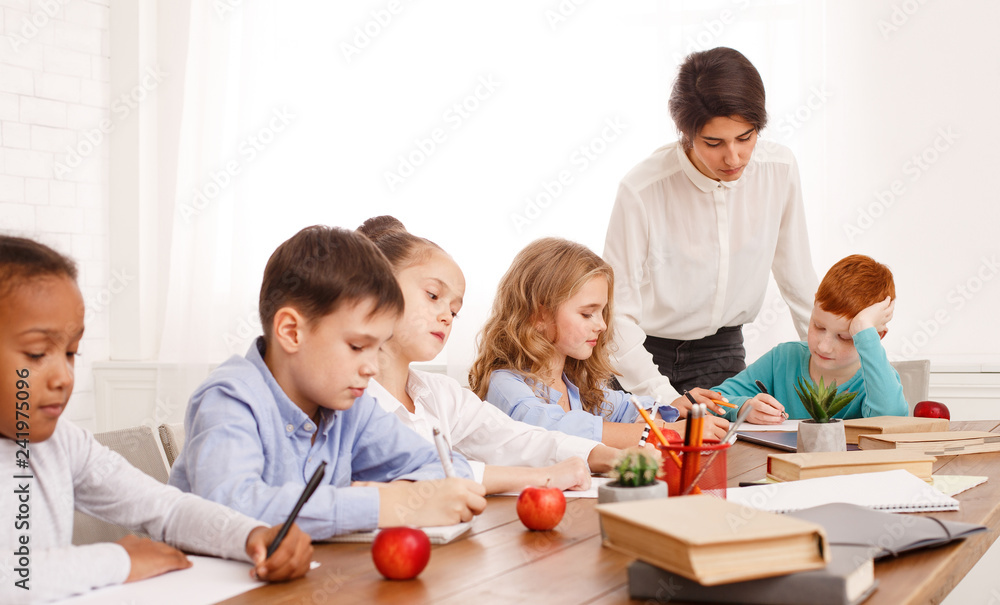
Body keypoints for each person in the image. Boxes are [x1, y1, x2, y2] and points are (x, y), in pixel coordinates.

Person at [0, 236, 313, 604]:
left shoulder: (63, 444)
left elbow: (165, 507)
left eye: (71, 353)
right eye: (37, 354)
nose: (64, 377)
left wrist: (250, 535)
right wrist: (118, 560)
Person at [169, 226, 486, 540]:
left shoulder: (352, 409)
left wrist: (405, 493)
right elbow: (230, 509)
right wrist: (380, 505)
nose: (372, 368)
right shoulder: (229, 399)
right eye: (357, 347)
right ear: (292, 332)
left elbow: (448, 466)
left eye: (379, 347)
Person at [603, 46, 819, 418]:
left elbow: (797, 279)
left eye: (745, 138)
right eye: (713, 143)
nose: (733, 158)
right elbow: (616, 313)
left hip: (721, 351)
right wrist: (663, 396)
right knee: (645, 466)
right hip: (641, 353)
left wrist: (833, 362)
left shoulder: (779, 170)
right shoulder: (642, 189)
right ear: (686, 134)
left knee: (733, 465)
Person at [358, 217, 622, 495]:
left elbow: (511, 438)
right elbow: (426, 471)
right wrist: (546, 477)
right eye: (433, 295)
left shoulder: (440, 394)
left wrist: (598, 454)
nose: (447, 316)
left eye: (454, 310)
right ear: (377, 289)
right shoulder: (351, 400)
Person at [469, 238, 728, 449]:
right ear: (539, 315)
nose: (602, 325)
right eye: (586, 314)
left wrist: (673, 407)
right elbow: (555, 428)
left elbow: (624, 408)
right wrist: (667, 432)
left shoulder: (574, 385)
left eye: (602, 312)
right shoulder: (504, 384)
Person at [713, 255, 906, 423]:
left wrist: (865, 331)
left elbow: (892, 421)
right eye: (819, 326)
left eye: (845, 337)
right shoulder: (783, 358)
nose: (823, 346)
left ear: (877, 336)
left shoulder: (877, 379)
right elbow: (711, 400)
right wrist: (743, 407)